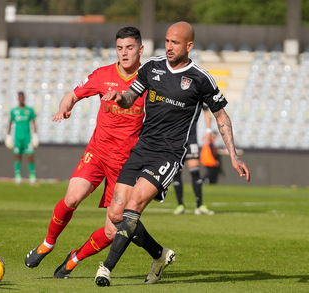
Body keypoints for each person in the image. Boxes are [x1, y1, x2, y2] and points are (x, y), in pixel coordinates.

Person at [95, 21, 250, 287]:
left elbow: (221, 115)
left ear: (189, 46)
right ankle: (160, 255)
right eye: (166, 41)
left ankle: (105, 270)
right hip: (142, 148)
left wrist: (233, 156)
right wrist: (119, 97)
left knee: (133, 210)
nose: (168, 47)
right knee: (117, 216)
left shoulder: (201, 78)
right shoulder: (152, 68)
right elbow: (131, 97)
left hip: (168, 155)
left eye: (175, 43)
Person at [25, 27, 167, 280]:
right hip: (98, 152)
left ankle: (74, 258)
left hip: (125, 164)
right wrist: (64, 108)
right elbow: (72, 95)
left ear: (141, 50)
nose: (124, 53)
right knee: (72, 198)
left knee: (112, 230)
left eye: (130, 48)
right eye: (120, 48)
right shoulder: (103, 75)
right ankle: (47, 243)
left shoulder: (151, 83)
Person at [172, 105, 215, 215]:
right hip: (175, 138)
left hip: (191, 138)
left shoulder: (195, 91)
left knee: (195, 172)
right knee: (176, 173)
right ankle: (180, 205)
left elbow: (206, 109)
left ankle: (199, 205)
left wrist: (208, 130)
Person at [6, 91, 38, 185]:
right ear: (18, 98)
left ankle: (32, 177)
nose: (21, 99)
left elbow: (33, 122)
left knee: (30, 157)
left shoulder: (29, 110)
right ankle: (18, 177)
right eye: (20, 97)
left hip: (27, 138)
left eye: (22, 97)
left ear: (24, 98)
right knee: (17, 156)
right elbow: (10, 123)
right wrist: (8, 135)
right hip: (17, 138)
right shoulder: (14, 111)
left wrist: (35, 135)